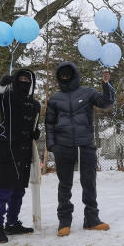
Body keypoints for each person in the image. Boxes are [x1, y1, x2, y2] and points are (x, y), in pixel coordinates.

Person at [45, 61, 114, 235]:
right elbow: (49, 123)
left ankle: (91, 219)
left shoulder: (88, 92)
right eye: (62, 75)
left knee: (89, 183)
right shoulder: (55, 98)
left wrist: (106, 84)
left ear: (75, 74)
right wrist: (52, 144)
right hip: (63, 146)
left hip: (85, 145)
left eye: (68, 73)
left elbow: (106, 101)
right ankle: (64, 222)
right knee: (65, 185)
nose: (65, 77)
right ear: (59, 77)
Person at [0, 70, 41, 244]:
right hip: (5, 151)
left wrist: (35, 133)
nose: (24, 81)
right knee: (3, 191)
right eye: (21, 78)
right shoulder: (8, 97)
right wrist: (2, 85)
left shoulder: (35, 104)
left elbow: (34, 124)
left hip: (24, 151)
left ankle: (12, 223)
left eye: (28, 79)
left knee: (18, 191)